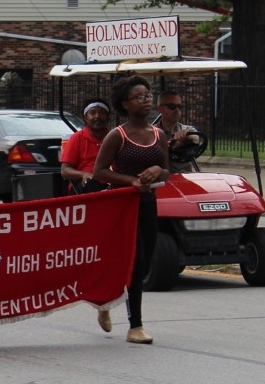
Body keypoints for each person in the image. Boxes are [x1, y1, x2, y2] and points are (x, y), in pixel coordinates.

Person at [93, 75, 171, 345]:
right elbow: (99, 172)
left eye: (148, 95)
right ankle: (135, 326)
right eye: (139, 97)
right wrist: (131, 181)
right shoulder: (118, 136)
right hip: (123, 207)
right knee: (135, 264)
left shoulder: (159, 134)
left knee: (146, 262)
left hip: (149, 205)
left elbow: (167, 171)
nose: (146, 100)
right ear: (125, 104)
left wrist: (159, 170)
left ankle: (104, 301)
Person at [60, 98, 112, 195]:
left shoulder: (115, 136)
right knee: (93, 183)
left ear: (108, 117)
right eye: (92, 113)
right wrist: (84, 174)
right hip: (85, 185)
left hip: (112, 181)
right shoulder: (77, 138)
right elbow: (65, 170)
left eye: (102, 113)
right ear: (85, 118)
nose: (97, 116)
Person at [152, 90, 201, 173]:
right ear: (159, 109)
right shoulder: (150, 133)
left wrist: (187, 136)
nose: (177, 110)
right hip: (163, 178)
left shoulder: (186, 129)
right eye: (172, 107)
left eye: (179, 107)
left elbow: (196, 138)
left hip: (185, 177)